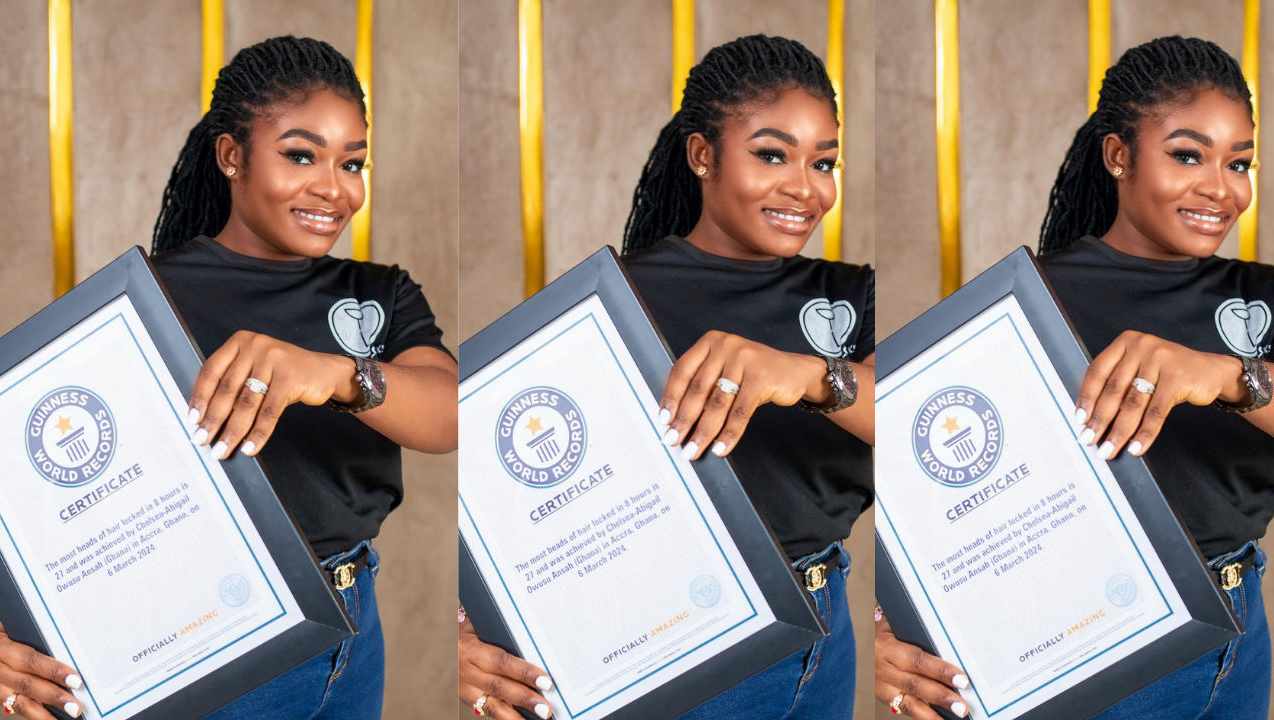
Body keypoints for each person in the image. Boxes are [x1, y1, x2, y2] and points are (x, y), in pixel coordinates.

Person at [0, 36, 457, 720]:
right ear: (232, 156)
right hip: (211, 638)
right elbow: (33, 470)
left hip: (355, 628)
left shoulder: (378, 294)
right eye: (301, 154)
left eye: (352, 162)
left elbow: (453, 412)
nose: (334, 187)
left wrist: (331, 373)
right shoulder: (147, 300)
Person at [458, 35, 874, 720]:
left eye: (824, 162)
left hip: (826, 638)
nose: (806, 187)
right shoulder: (612, 303)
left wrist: (805, 374)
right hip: (676, 640)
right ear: (703, 155)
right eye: (772, 154)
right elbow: (513, 485)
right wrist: (469, 634)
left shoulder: (852, 295)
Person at [875, 36, 1274, 720]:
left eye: (1239, 162)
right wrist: (896, 632)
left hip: (1241, 638)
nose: (1220, 187)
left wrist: (1226, 377)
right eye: (1187, 154)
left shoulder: (1259, 297)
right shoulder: (1027, 307)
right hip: (1097, 644)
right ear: (1118, 156)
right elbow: (931, 486)